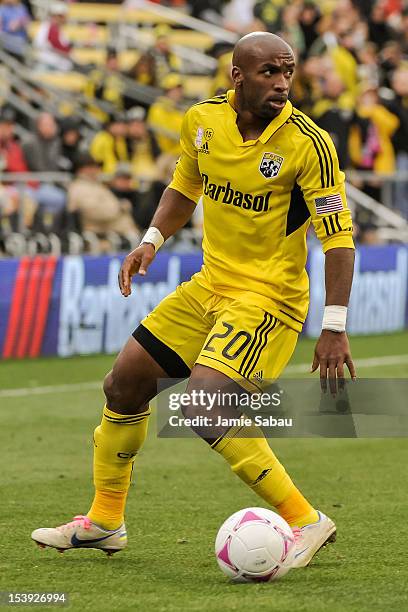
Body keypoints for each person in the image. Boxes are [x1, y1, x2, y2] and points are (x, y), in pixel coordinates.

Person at [32, 32, 356, 568]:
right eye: (268, 72)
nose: (281, 83)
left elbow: (338, 238)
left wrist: (334, 324)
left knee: (203, 404)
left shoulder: (309, 143)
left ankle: (306, 521)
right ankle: (106, 520)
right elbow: (185, 187)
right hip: (210, 286)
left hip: (269, 300)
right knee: (125, 383)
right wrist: (149, 241)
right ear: (237, 76)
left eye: (288, 72)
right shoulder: (202, 121)